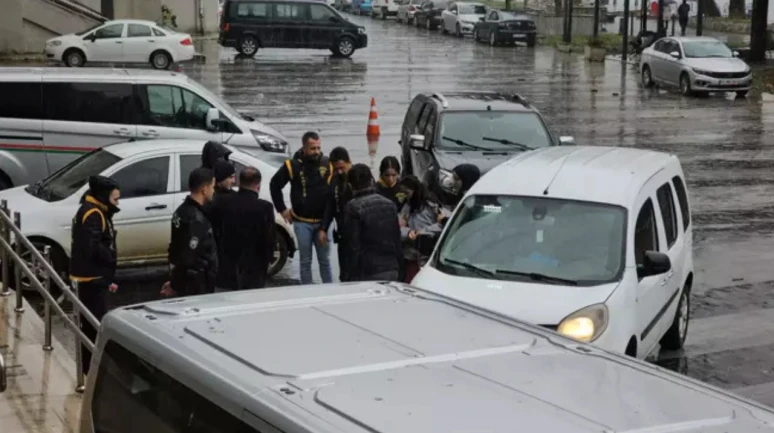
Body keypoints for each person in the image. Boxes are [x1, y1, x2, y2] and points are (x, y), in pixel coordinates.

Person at [69, 175, 120, 375]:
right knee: (94, 327)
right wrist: (110, 257)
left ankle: (90, 369)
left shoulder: (93, 210)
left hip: (91, 278)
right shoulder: (93, 214)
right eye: (115, 200)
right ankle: (90, 372)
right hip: (90, 280)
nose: (117, 204)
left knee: (91, 327)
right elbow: (91, 247)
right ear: (103, 196)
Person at [270, 131, 334, 284]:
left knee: (325, 261)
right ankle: (307, 293)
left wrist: (324, 227)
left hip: (323, 223)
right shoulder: (292, 165)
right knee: (305, 262)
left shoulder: (328, 164)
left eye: (318, 148)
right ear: (304, 147)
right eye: (312, 148)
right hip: (301, 221)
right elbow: (274, 185)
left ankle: (330, 292)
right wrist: (282, 209)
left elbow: (332, 199)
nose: (316, 152)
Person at [210, 167, 275, 291]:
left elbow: (215, 231)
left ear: (239, 183)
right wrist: (266, 262)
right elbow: (269, 240)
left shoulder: (222, 202)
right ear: (258, 185)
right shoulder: (264, 208)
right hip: (254, 271)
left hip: (226, 269)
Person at [162, 167, 218, 297]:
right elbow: (187, 256)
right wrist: (175, 285)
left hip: (190, 280)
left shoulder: (181, 210)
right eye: (212, 187)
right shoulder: (195, 219)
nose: (213, 191)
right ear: (205, 189)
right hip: (195, 285)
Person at [344, 164, 403, 281]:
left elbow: (353, 246)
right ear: (372, 180)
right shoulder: (390, 205)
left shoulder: (353, 208)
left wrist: (349, 275)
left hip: (367, 271)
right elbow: (397, 239)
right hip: (392, 267)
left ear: (350, 186)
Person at [398, 175, 450, 283]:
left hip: (430, 253)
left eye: (407, 193)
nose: (405, 197)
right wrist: (408, 232)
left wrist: (422, 232)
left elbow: (443, 224)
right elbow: (399, 227)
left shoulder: (433, 206)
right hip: (412, 255)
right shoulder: (407, 207)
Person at [320, 147, 353, 281]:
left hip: (359, 232)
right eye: (336, 168)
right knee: (344, 273)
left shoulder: (360, 176)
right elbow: (330, 206)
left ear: (349, 162)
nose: (339, 171)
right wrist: (323, 228)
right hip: (343, 231)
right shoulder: (334, 180)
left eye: (342, 167)